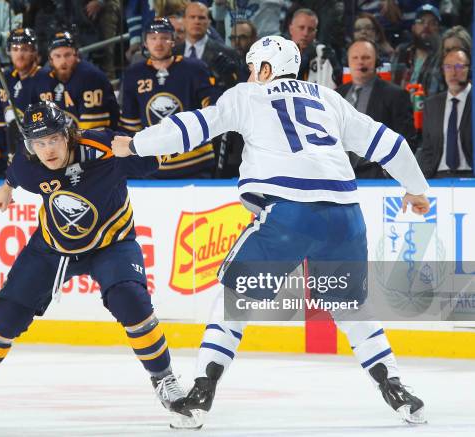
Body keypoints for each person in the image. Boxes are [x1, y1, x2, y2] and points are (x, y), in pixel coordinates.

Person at [112, 35, 430, 428]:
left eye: (252, 68)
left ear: (264, 69)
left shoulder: (247, 94)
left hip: (289, 216)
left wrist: (134, 144)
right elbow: (391, 144)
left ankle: (200, 393)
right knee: (350, 308)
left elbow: (191, 127)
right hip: (346, 217)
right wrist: (417, 190)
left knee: (232, 299)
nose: (249, 74)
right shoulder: (328, 97)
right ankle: (397, 389)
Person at [0, 101, 195, 427]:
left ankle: (165, 380)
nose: (48, 150)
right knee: (7, 315)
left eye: (53, 139)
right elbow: (17, 170)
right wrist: (6, 187)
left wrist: (149, 146)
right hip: (51, 248)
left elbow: (151, 158)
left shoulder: (104, 148)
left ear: (69, 135)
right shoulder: (29, 165)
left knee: (132, 301)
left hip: (111, 244)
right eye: (39, 143)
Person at [120, 17, 218, 179]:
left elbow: (212, 111)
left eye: (164, 37)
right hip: (153, 167)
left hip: (196, 163)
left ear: (173, 40)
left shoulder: (195, 68)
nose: (158, 43)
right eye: (153, 38)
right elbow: (130, 124)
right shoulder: (133, 74)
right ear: (145, 42)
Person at [337, 38, 415, 178]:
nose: (360, 62)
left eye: (366, 57)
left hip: (379, 174)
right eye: (355, 57)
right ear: (347, 62)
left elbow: (406, 137)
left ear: (376, 61)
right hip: (342, 174)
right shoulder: (337, 94)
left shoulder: (395, 95)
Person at [30, 30, 119, 131]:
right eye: (57, 56)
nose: (63, 61)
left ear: (76, 55)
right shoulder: (43, 79)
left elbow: (93, 133)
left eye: (67, 55)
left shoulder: (91, 78)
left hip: (100, 140)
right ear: (50, 59)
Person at [0, 27, 47, 167]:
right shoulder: (3, 79)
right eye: (15, 49)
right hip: (12, 160)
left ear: (34, 52)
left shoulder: (46, 79)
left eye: (25, 49)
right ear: (9, 52)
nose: (19, 54)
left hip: (40, 159)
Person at [417, 47, 472, 178]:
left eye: (459, 66)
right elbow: (428, 150)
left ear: (469, 69)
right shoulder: (432, 105)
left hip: (470, 175)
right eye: (448, 67)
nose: (453, 72)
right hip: (439, 176)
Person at [175, 2, 243, 91]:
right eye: (192, 17)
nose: (197, 21)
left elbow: (237, 88)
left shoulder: (228, 53)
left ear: (208, 22)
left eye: (201, 18)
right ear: (184, 21)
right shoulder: (173, 53)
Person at [390, 4, 441, 94]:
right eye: (421, 21)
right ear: (413, 28)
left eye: (432, 23)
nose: (426, 26)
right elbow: (390, 86)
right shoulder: (401, 52)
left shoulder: (442, 57)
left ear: (438, 30)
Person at [288, 8, 342, 87]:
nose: (305, 33)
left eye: (310, 29)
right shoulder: (277, 51)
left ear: (315, 33)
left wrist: (334, 66)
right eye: (301, 28)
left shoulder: (323, 55)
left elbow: (339, 82)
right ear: (291, 29)